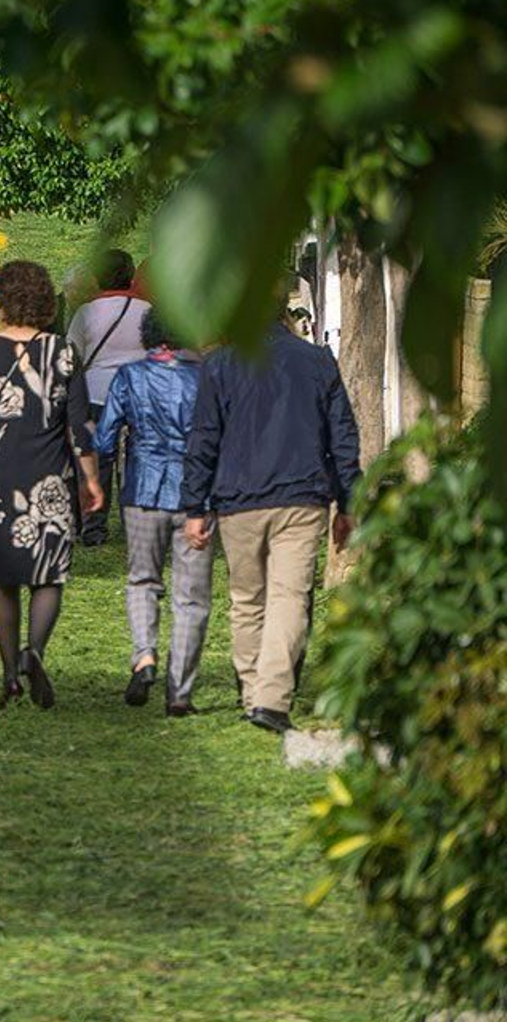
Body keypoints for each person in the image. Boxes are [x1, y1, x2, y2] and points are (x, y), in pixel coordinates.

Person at [180, 302, 363, 734]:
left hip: (238, 497)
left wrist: (195, 506)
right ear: (286, 319)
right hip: (301, 496)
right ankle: (272, 697)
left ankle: (252, 692)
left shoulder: (219, 364)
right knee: (290, 596)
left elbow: (204, 437)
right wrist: (348, 502)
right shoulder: (318, 361)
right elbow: (342, 436)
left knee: (247, 599)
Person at [0, 260, 104, 710]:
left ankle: (10, 674)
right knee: (49, 574)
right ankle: (35, 652)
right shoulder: (62, 354)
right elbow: (79, 428)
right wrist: (91, 481)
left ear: (1, 302)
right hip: (49, 479)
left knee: (2, 580)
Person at [94, 308, 212, 717]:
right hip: (194, 495)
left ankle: (145, 656)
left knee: (142, 579)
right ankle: (180, 689)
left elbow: (106, 437)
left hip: (143, 490)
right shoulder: (204, 378)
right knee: (191, 597)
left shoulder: (130, 376)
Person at [65, 248, 152, 545]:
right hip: (139, 393)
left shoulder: (86, 312)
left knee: (97, 463)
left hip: (97, 394)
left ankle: (94, 528)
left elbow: (71, 356)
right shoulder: (147, 310)